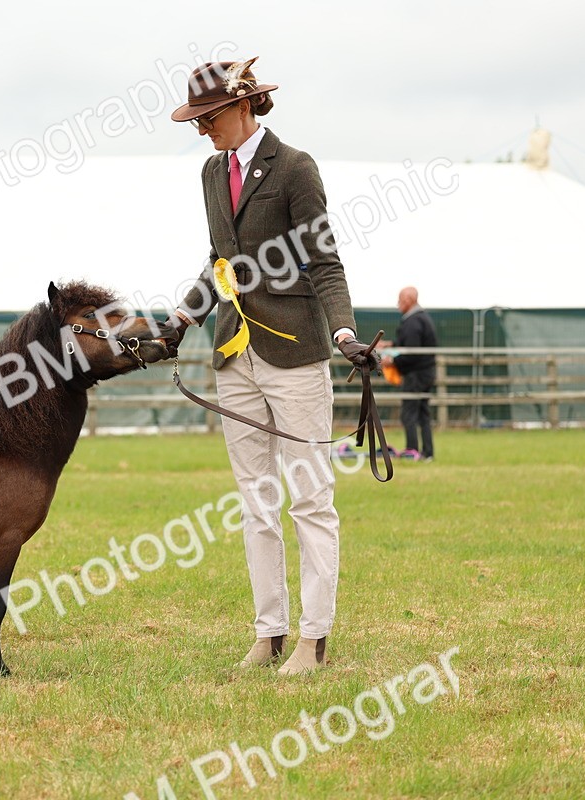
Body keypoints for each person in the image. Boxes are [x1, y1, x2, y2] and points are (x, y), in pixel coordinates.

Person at [162, 57, 380, 675]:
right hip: (234, 352)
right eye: (196, 122)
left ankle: (315, 637)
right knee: (256, 501)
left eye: (209, 119)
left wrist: (344, 330)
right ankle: (270, 632)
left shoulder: (294, 168)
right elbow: (220, 262)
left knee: (309, 497)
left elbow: (325, 260)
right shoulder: (211, 172)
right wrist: (181, 320)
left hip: (294, 351)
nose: (203, 131)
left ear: (242, 106)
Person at [384, 287, 437, 461]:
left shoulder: (413, 322)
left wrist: (392, 361)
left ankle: (411, 452)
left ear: (408, 300)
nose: (398, 304)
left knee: (409, 414)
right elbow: (408, 345)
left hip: (416, 375)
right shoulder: (422, 319)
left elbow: (411, 353)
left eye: (400, 300)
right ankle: (427, 453)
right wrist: (391, 345)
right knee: (423, 414)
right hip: (426, 372)